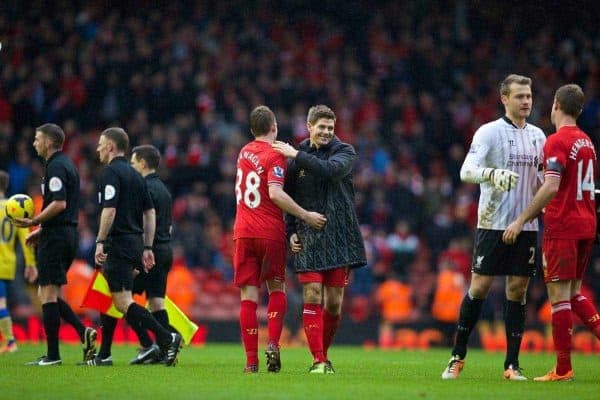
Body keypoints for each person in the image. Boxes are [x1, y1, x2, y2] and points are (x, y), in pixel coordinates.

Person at [440, 75, 546, 380]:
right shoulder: (489, 132)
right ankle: (457, 357)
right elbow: (466, 171)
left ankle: (511, 366)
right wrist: (491, 173)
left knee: (517, 290)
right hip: (492, 223)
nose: (526, 101)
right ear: (504, 99)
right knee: (480, 288)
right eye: (519, 96)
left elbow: (543, 182)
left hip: (526, 225)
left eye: (528, 96)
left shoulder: (540, 136)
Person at [503, 84, 598, 382]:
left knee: (559, 298)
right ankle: (563, 367)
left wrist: (521, 219)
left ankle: (563, 369)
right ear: (579, 110)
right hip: (587, 224)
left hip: (563, 226)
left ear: (556, 104)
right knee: (575, 293)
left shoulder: (557, 141)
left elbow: (553, 185)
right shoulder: (587, 142)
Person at [272, 104, 367, 373]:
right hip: (308, 235)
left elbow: (330, 171)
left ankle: (323, 354)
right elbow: (288, 197)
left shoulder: (344, 151)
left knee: (334, 302)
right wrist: (290, 231)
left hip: (340, 234)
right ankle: (318, 360)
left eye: (330, 128)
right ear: (309, 126)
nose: (326, 132)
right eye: (321, 127)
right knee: (312, 294)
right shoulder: (296, 156)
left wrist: (296, 155)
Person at [233, 105, 326, 373]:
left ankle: (251, 362)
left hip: (243, 231)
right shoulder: (275, 155)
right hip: (269, 231)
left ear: (252, 130)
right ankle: (273, 343)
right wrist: (305, 215)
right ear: (274, 127)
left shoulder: (243, 152)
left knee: (248, 296)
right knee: (277, 289)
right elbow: (274, 193)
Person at [84, 127, 181, 366]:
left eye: (100, 144)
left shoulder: (110, 173)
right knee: (120, 298)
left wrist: (100, 241)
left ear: (110, 147)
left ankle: (163, 338)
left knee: (121, 302)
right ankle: (109, 353)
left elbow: (110, 210)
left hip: (118, 243)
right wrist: (146, 247)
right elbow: (149, 213)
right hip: (136, 244)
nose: (97, 148)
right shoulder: (137, 177)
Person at [15, 123, 97, 366]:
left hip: (59, 236)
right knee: (46, 293)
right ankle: (83, 332)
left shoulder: (57, 166)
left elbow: (59, 204)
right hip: (61, 233)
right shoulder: (64, 164)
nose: (34, 143)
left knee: (48, 294)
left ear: (49, 142)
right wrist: (42, 229)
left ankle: (53, 356)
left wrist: (34, 221)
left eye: (37, 138)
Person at [128, 144, 174, 365]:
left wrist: (142, 251)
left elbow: (145, 223)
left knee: (122, 297)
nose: (131, 166)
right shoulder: (164, 190)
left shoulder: (143, 188)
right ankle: (167, 349)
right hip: (165, 249)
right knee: (156, 301)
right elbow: (170, 226)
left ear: (143, 163)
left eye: (133, 162)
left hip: (150, 251)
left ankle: (150, 344)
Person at [0, 170, 38, 354]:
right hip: (9, 263)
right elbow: (26, 236)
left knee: (1, 304)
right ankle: (9, 341)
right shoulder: (13, 207)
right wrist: (30, 263)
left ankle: (10, 341)